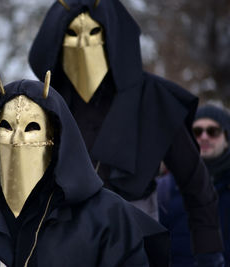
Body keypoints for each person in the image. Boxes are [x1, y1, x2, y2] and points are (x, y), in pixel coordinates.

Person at [0, 71, 169, 267]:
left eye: (32, 128)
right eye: (7, 126)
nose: (17, 139)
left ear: (56, 138)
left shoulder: (106, 220)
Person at [28, 0, 224, 264]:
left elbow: (196, 183)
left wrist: (208, 251)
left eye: (93, 32)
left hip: (134, 240)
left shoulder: (154, 101)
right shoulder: (46, 103)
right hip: (60, 242)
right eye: (72, 34)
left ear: (111, 36)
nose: (84, 44)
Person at [158, 104, 230, 266]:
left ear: (226, 139)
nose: (204, 137)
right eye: (197, 132)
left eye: (213, 131)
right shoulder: (163, 189)